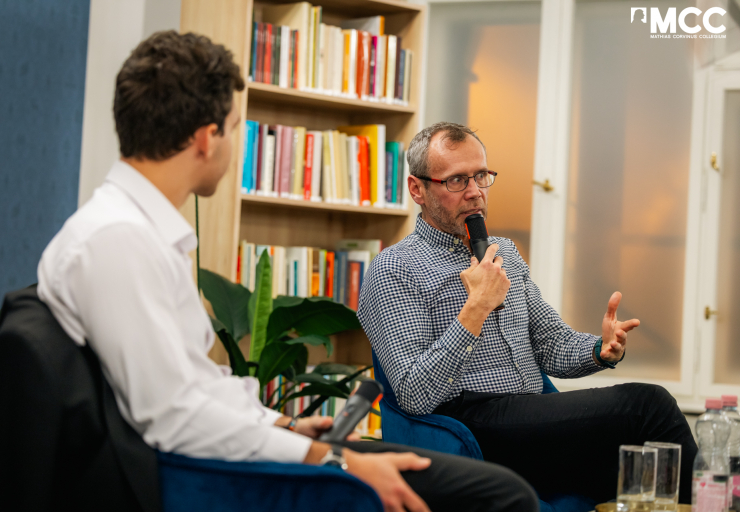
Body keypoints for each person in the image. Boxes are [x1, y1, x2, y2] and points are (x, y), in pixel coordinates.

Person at [36, 32, 538, 512]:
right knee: (497, 496)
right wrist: (330, 459)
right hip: (198, 479)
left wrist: (284, 426)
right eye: (236, 129)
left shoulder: (137, 234)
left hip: (229, 452)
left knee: (492, 487)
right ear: (207, 139)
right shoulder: (117, 242)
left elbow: (195, 384)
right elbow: (174, 417)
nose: (236, 146)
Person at [357, 121, 698, 504]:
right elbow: (413, 395)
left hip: (531, 416)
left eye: (481, 176)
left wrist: (599, 349)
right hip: (468, 423)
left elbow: (551, 344)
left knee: (637, 456)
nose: (475, 192)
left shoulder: (504, 251)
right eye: (456, 181)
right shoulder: (394, 269)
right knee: (648, 407)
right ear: (417, 189)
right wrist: (476, 307)